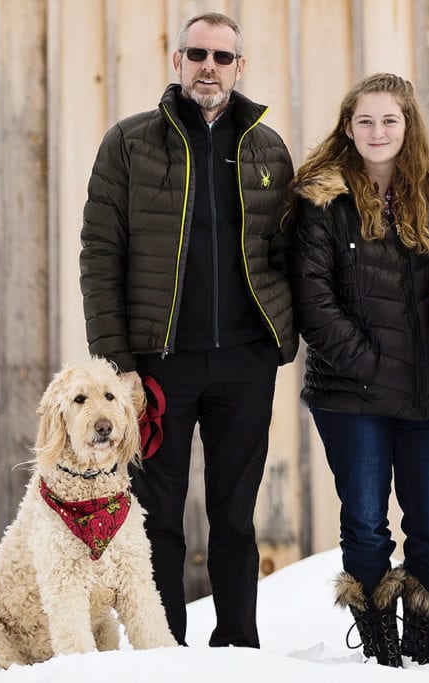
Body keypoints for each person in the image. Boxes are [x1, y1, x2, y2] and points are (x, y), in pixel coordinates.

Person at [80, 12, 296, 648]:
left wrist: (279, 341)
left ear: (239, 67)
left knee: (236, 515)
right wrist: (116, 361)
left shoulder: (266, 148)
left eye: (222, 57)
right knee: (156, 518)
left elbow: (288, 252)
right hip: (156, 365)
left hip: (244, 364)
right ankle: (162, 648)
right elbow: (100, 254)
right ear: (177, 62)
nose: (209, 66)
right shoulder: (129, 143)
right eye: (197, 54)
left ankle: (238, 644)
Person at [287, 73, 429, 667]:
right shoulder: (323, 202)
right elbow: (313, 300)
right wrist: (367, 363)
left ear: (408, 127)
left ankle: (424, 652)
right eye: (364, 120)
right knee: (365, 523)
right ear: (348, 127)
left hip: (427, 391)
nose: (377, 131)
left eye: (389, 120)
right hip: (350, 391)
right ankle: (380, 657)